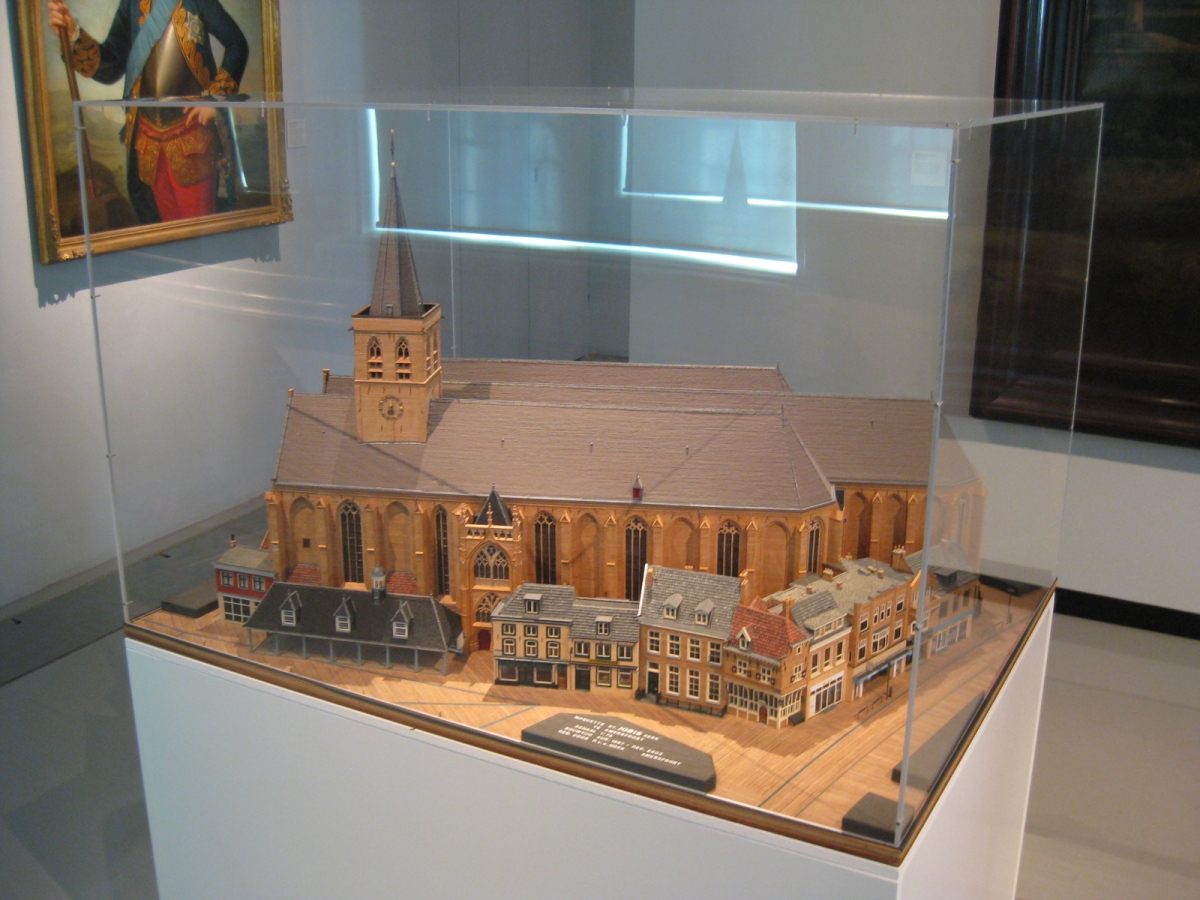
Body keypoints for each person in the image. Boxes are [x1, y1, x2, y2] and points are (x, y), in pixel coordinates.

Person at [49, 0, 248, 223]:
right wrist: (73, 35)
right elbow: (111, 66)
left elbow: (237, 44)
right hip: (148, 143)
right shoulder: (131, 4)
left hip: (193, 137)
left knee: (200, 228)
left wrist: (214, 99)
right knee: (165, 231)